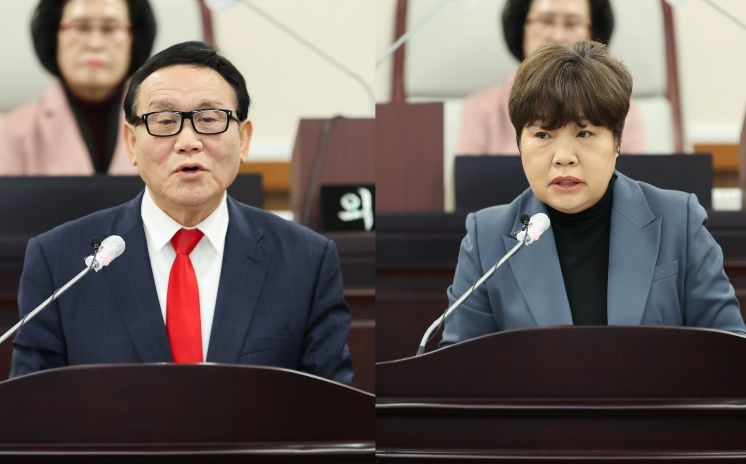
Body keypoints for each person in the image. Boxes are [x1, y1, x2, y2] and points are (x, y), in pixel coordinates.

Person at [10, 41, 354, 385]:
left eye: (209, 119)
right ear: (131, 142)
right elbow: (31, 408)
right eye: (164, 121)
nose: (188, 141)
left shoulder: (306, 260)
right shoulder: (60, 261)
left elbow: (334, 407)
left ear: (244, 139)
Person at [442, 41, 745, 346]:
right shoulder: (486, 239)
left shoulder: (680, 221)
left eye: (584, 133)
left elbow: (729, 352)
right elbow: (458, 366)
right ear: (519, 144)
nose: (563, 157)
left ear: (617, 142)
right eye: (543, 135)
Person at [457, 0, 644, 155]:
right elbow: (469, 184)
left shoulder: (621, 108)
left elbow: (632, 180)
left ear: (593, 32)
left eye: (572, 24)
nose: (558, 36)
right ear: (521, 26)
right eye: (545, 21)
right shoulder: (481, 109)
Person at [0, 0, 156, 175]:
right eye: (80, 28)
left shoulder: (166, 123)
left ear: (134, 38)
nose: (95, 44)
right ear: (54, 36)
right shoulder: (10, 133)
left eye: (110, 28)